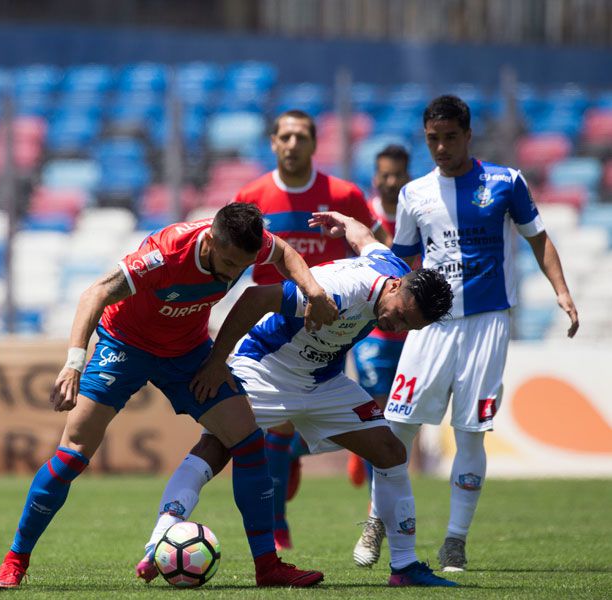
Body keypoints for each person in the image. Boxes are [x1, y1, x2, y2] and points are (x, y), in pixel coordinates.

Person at [0, 203, 339, 589]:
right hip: (125, 344)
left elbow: (285, 253)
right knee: (73, 453)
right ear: (210, 240)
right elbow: (96, 293)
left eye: (243, 264)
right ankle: (15, 560)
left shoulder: (245, 246)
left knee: (249, 440)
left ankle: (267, 567)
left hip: (187, 353)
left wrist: (313, 290)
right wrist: (73, 363)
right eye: (228, 262)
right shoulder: (166, 254)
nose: (233, 272)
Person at [136, 211, 457, 587]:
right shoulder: (341, 290)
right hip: (266, 370)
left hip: (322, 382)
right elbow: (256, 298)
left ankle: (404, 567)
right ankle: (158, 542)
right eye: (399, 314)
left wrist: (343, 221)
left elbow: (364, 239)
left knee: (391, 451)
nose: (395, 326)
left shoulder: (391, 266)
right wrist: (216, 363)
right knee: (216, 448)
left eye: (408, 326)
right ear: (395, 287)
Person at [385, 95, 579, 572]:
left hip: (487, 323)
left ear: (468, 135)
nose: (442, 147)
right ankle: (377, 519)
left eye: (450, 137)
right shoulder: (414, 195)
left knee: (471, 434)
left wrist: (562, 291)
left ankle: (455, 539)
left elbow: (538, 237)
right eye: (433, 139)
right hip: (430, 326)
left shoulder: (505, 182)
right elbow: (399, 261)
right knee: (396, 427)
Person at [232, 109, 385, 550]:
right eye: (285, 136)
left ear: (314, 143)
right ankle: (277, 524)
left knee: (319, 415)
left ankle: (297, 453)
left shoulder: (343, 194)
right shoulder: (253, 194)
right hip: (273, 326)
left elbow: (376, 250)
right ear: (274, 142)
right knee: (276, 424)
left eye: (301, 136)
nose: (293, 144)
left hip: (334, 325)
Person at [350, 144, 412, 567]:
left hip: (411, 333)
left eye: (397, 175)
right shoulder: (367, 215)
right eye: (384, 174)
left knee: (401, 421)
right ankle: (380, 520)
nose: (390, 182)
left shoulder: (415, 213)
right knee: (379, 418)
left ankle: (371, 471)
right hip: (374, 332)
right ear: (375, 176)